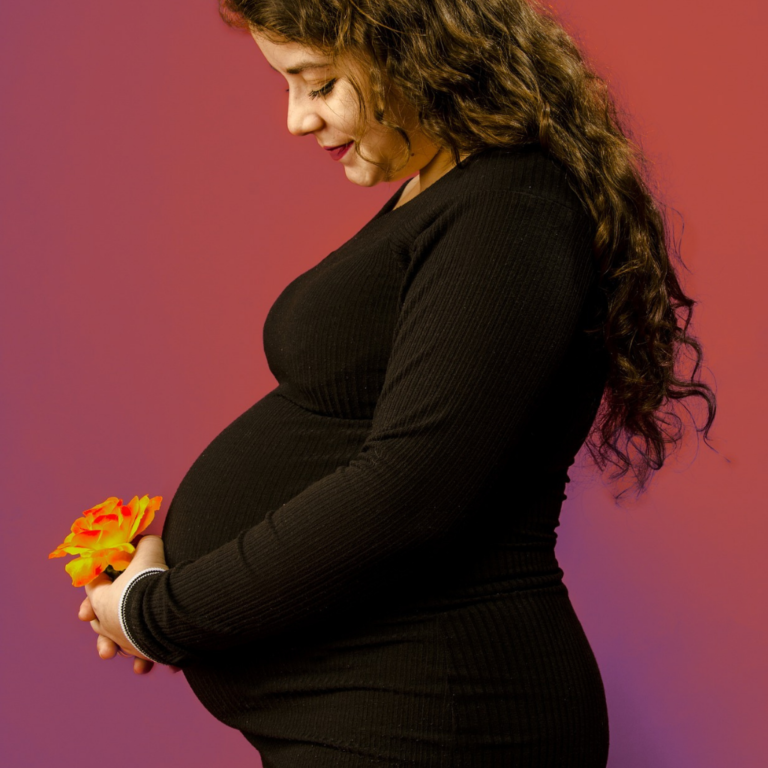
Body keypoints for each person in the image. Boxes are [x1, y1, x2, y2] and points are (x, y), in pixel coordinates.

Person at [79, 1, 717, 765]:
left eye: (316, 83)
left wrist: (162, 612)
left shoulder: (515, 204)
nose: (296, 120)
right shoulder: (458, 191)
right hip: (385, 719)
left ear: (409, 50)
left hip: (442, 718)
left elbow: (412, 490)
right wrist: (174, 581)